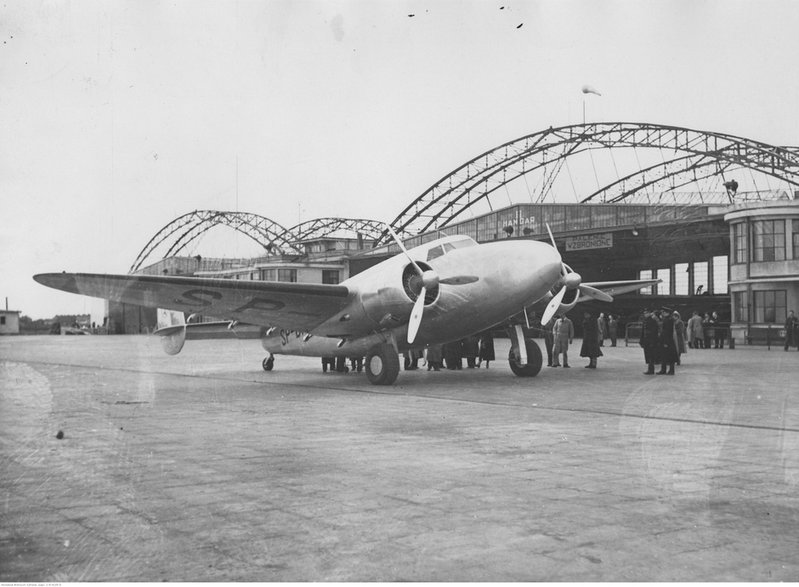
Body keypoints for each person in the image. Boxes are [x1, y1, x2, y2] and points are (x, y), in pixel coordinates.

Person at [640, 308, 660, 375]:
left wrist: (653, 341)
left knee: (651, 355)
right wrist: (641, 340)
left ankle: (651, 369)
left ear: (649, 313)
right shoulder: (645, 321)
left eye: (646, 313)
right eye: (644, 313)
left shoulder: (653, 321)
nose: (645, 314)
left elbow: (654, 332)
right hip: (646, 341)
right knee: (648, 355)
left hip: (651, 341)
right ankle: (650, 369)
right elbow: (643, 332)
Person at [658, 309, 678, 375]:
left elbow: (668, 332)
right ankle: (663, 369)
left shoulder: (669, 320)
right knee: (664, 355)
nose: (662, 313)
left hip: (667, 340)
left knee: (669, 356)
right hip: (665, 339)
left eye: (663, 312)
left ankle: (670, 370)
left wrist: (666, 342)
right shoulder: (667, 319)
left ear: (667, 313)